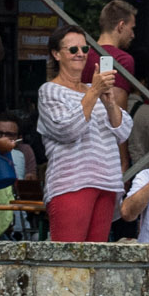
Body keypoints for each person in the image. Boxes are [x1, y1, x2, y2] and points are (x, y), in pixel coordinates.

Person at [37, 24, 129, 242]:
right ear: (56, 54)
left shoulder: (93, 88)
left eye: (85, 49)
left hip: (106, 181)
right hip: (71, 182)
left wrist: (109, 103)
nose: (80, 54)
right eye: (73, 50)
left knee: (95, 260)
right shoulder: (49, 90)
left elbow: (123, 131)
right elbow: (67, 130)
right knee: (69, 261)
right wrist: (94, 92)